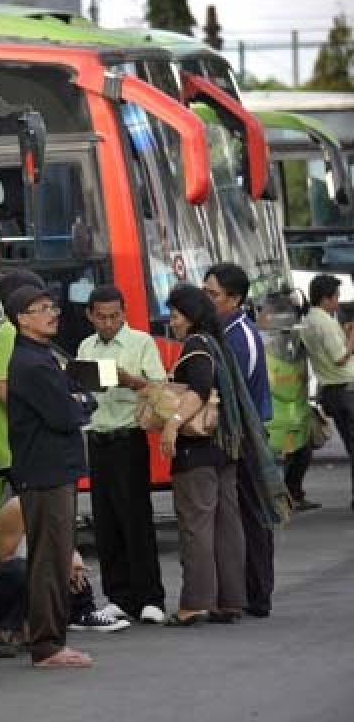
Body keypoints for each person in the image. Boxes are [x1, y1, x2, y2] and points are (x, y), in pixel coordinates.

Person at [5, 285, 93, 667]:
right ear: (22, 319)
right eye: (41, 309)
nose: (52, 313)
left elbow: (77, 393)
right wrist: (82, 403)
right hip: (45, 471)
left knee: (54, 556)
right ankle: (47, 645)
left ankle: (50, 640)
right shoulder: (32, 363)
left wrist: (81, 399)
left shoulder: (43, 355)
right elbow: (66, 414)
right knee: (50, 560)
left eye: (52, 306)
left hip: (53, 469)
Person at [76, 285, 167, 624]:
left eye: (115, 316)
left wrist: (131, 381)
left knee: (136, 519)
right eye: (101, 317)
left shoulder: (141, 342)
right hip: (98, 437)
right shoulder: (86, 346)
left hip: (129, 437)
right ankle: (118, 596)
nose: (108, 323)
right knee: (106, 521)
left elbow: (159, 388)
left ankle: (150, 596)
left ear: (124, 313)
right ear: (90, 315)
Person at [159, 285, 246, 626]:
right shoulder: (217, 343)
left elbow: (197, 390)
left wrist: (172, 424)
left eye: (176, 316)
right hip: (224, 449)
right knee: (227, 526)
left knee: (196, 527)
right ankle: (230, 600)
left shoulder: (195, 346)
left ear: (191, 318)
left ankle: (194, 602)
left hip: (196, 452)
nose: (172, 322)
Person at [0, 498, 128, 658]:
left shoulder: (58, 510)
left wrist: (70, 558)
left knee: (70, 569)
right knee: (19, 570)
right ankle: (1, 633)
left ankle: (82, 613)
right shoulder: (18, 508)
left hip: (31, 587)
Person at [203, 263, 275, 618]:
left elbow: (237, 396)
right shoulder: (221, 331)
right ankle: (246, 590)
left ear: (234, 299)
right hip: (236, 434)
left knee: (253, 515)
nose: (206, 300)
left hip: (246, 436)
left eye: (212, 294)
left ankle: (259, 593)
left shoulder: (240, 336)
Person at [300, 274, 354, 512]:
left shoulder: (310, 320)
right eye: (336, 297)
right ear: (326, 298)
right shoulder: (325, 323)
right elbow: (340, 358)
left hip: (332, 389)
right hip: (344, 388)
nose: (338, 302)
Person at [0, 269, 47, 484]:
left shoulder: (12, 330)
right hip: (20, 446)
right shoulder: (10, 331)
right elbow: (2, 388)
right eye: (41, 304)